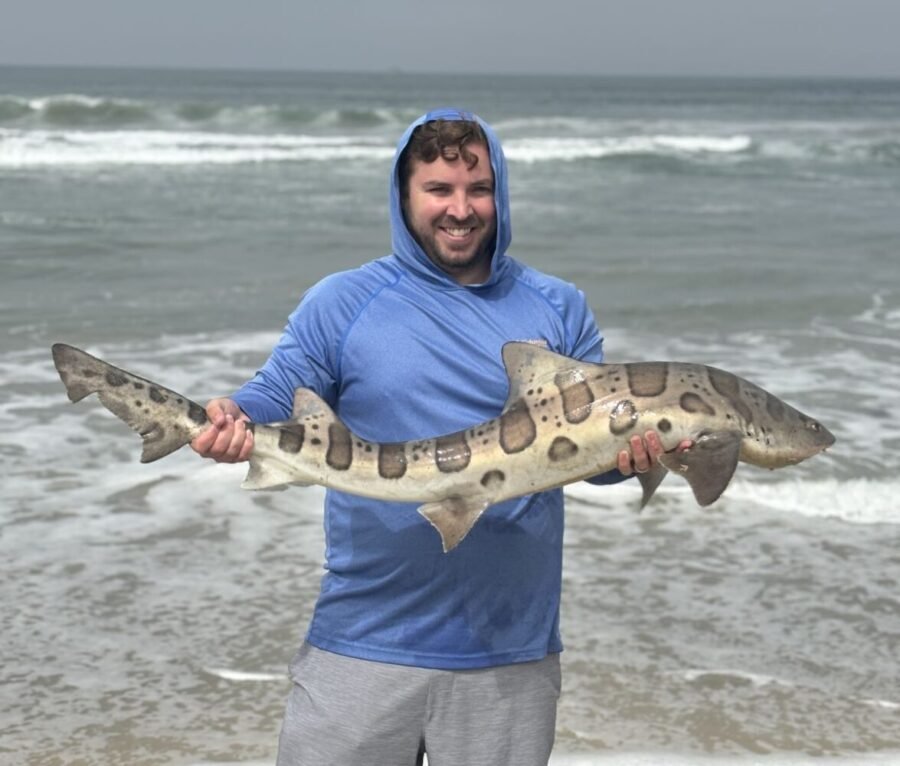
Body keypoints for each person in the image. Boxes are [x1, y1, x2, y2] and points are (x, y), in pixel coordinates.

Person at [192, 108, 680, 766]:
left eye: (478, 189)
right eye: (439, 190)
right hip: (363, 637)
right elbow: (279, 389)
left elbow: (589, 458)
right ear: (404, 197)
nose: (461, 209)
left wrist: (633, 462)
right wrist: (232, 417)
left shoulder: (557, 306)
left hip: (507, 651)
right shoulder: (344, 301)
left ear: (499, 193)